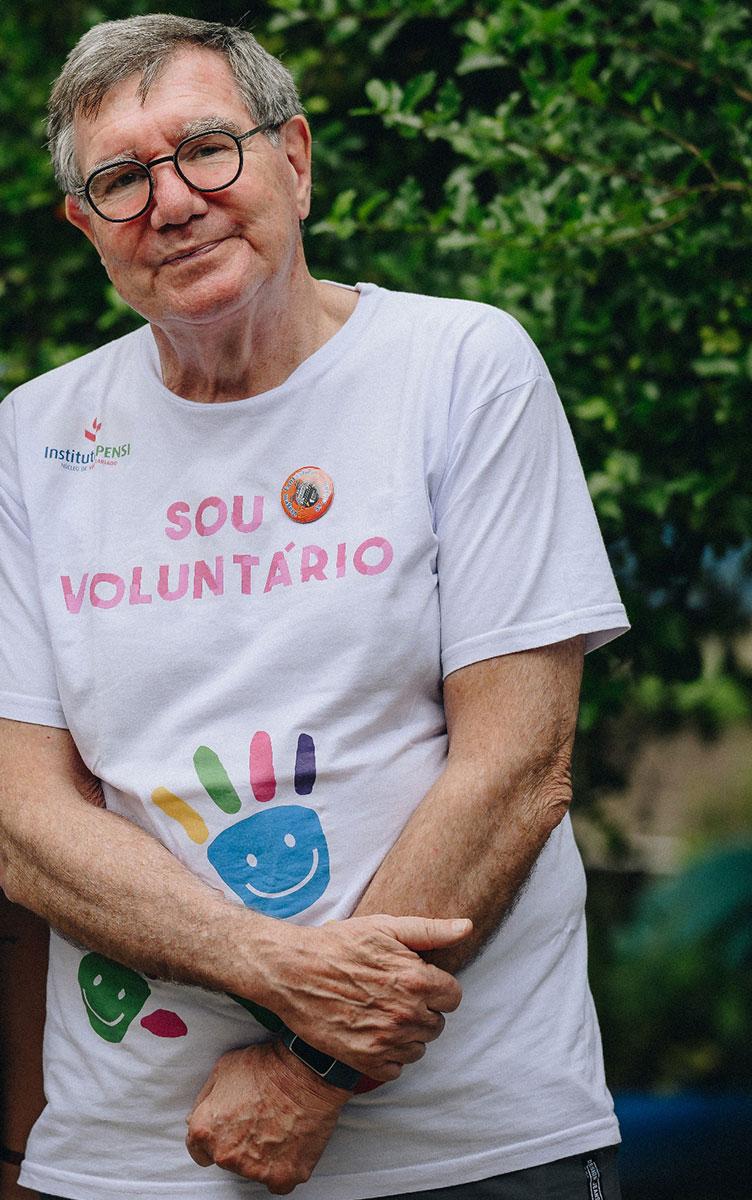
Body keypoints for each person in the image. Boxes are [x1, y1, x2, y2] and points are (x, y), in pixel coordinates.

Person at [0, 13, 630, 1200]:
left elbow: (516, 768)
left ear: (294, 158)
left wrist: (307, 1073)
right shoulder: (31, 442)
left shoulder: (458, 369)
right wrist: (274, 971)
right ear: (85, 227)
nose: (172, 201)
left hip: (467, 1148)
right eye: (121, 180)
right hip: (136, 1160)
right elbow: (22, 819)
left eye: (207, 150)